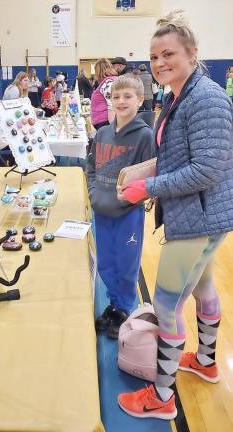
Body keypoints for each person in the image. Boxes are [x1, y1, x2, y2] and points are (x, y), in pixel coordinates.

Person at [117, 10, 233, 420]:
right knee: (203, 289)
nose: (160, 62)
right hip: (201, 216)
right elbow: (179, 156)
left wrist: (147, 186)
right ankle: (204, 361)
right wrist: (147, 170)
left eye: (168, 54)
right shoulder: (180, 94)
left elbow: (206, 170)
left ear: (192, 53)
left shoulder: (207, 99)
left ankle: (162, 397)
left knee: (166, 305)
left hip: (197, 220)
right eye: (153, 57)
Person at [87, 74, 155, 338]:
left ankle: (125, 309)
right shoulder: (103, 133)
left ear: (140, 99)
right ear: (109, 100)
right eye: (116, 96)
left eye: (128, 96)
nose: (121, 101)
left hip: (128, 214)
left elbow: (150, 177)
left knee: (126, 265)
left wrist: (132, 198)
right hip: (101, 211)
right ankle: (115, 305)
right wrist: (93, 192)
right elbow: (91, 167)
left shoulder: (145, 136)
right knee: (105, 262)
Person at [90, 58, 118, 131]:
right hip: (104, 122)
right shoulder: (110, 81)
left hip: (105, 123)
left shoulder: (108, 83)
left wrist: (112, 129)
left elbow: (111, 105)